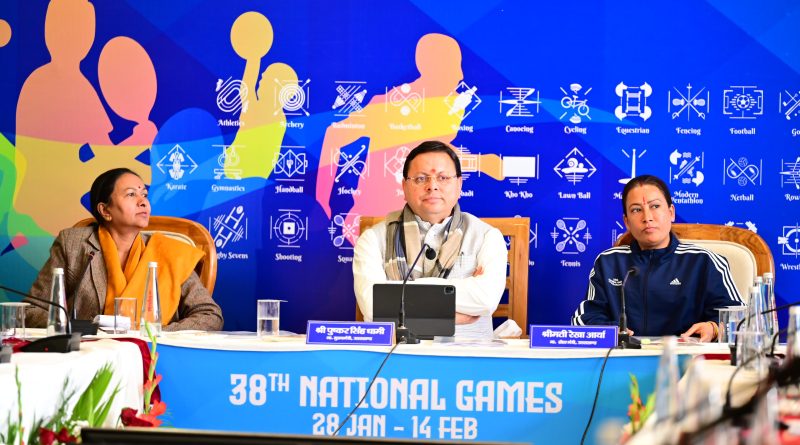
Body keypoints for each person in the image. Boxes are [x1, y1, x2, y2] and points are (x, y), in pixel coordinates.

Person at [24, 168, 224, 331]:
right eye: (131, 194)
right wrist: (83, 328)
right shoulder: (73, 244)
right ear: (105, 210)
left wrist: (154, 333)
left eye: (144, 195)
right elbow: (32, 310)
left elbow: (209, 315)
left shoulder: (170, 252)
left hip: (154, 353)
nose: (143, 201)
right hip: (88, 352)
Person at [353, 141, 507, 338]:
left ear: (459, 184)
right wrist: (453, 313)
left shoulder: (486, 236)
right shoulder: (373, 239)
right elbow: (372, 306)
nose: (432, 186)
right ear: (404, 186)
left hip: (468, 352)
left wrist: (398, 295)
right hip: (396, 351)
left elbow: (486, 299)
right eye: (421, 178)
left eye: (443, 178)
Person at [571, 174, 743, 341]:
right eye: (636, 210)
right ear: (627, 222)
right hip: (623, 356)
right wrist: (612, 332)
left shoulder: (704, 261)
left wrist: (714, 328)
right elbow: (583, 321)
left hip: (687, 357)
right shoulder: (608, 263)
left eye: (655, 206)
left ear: (671, 212)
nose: (647, 218)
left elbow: (742, 320)